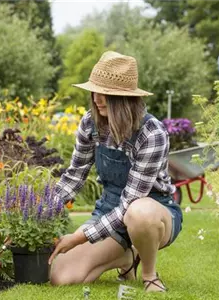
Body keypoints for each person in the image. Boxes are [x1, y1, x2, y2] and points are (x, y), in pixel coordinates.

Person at [48, 51, 183, 292]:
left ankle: (149, 273)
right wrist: (38, 215)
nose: (97, 99)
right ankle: (126, 256)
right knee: (62, 275)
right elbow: (74, 176)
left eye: (106, 94)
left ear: (124, 98)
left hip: (153, 212)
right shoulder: (91, 124)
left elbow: (129, 203)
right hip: (109, 211)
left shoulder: (152, 134)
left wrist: (79, 237)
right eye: (95, 91)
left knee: (138, 213)